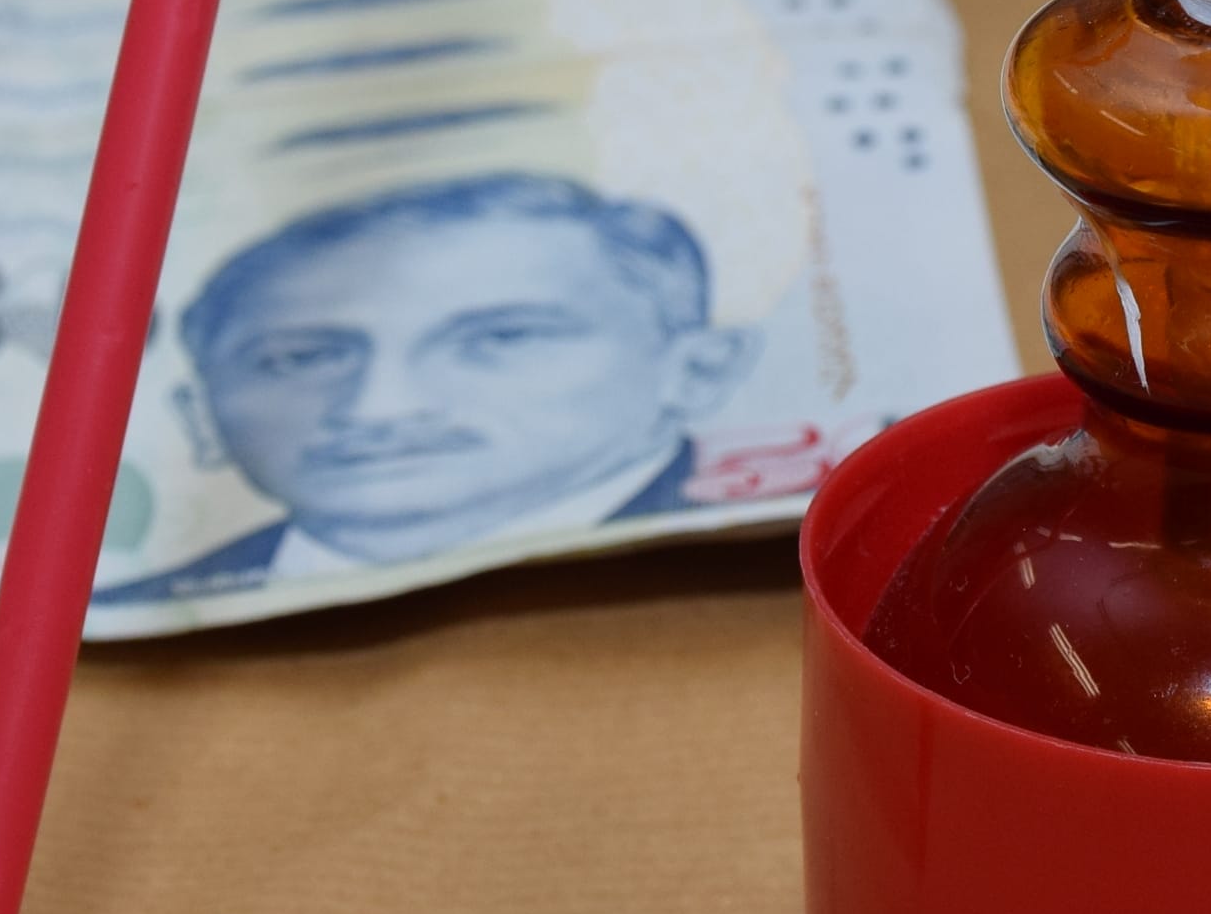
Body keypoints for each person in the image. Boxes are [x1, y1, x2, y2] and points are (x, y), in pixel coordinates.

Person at [91, 171, 756, 609]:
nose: (380, 408)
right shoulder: (97, 634)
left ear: (698, 372)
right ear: (199, 417)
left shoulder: (827, 593)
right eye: (300, 358)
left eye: (500, 339)